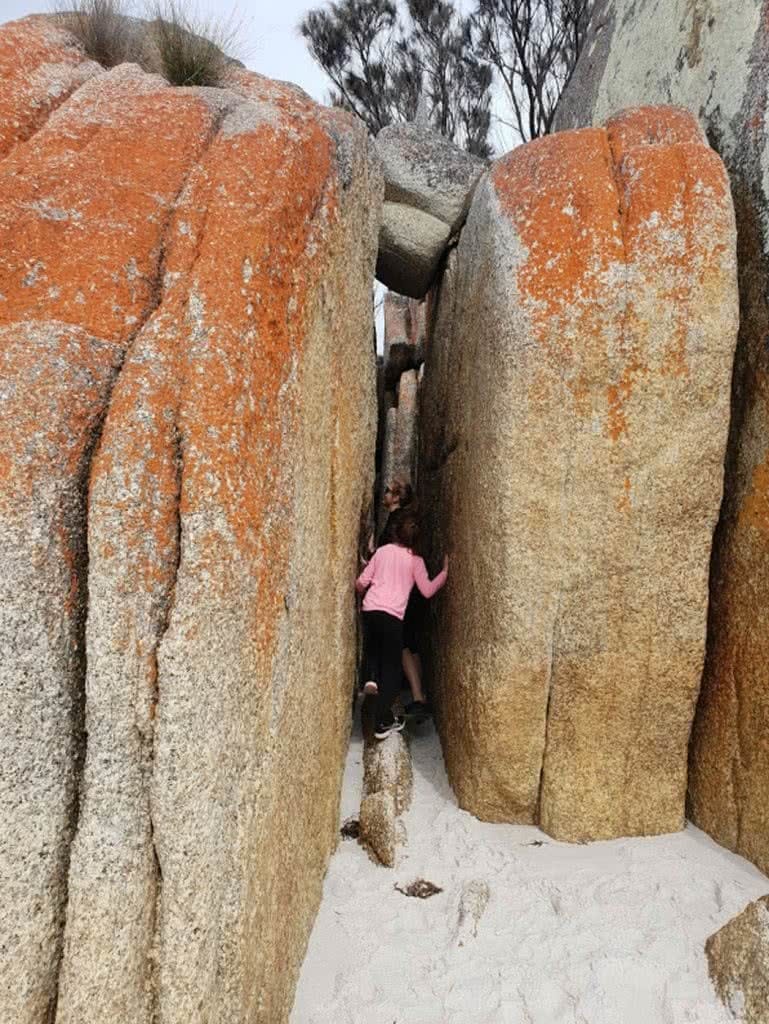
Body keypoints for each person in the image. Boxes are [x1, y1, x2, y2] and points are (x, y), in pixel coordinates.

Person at [356, 511, 448, 740]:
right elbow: (427, 590)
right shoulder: (416, 561)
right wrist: (444, 574)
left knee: (372, 650)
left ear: (395, 532)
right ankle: (381, 722)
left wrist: (364, 590)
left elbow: (361, 582)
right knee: (392, 670)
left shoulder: (383, 551)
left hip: (370, 610)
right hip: (393, 617)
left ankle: (369, 678)